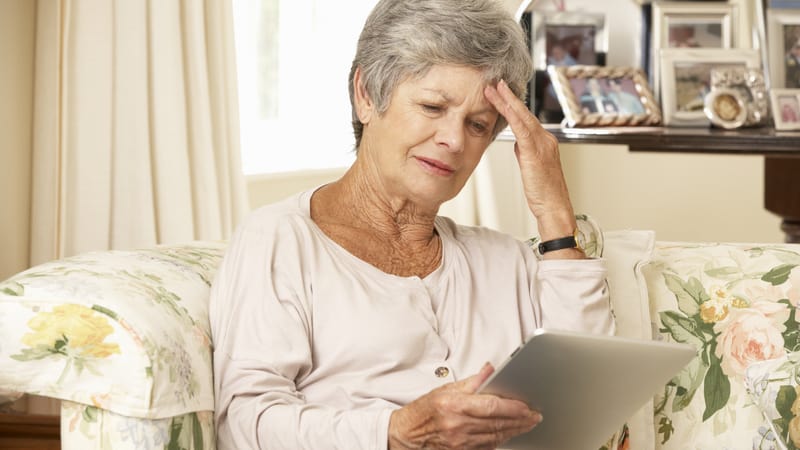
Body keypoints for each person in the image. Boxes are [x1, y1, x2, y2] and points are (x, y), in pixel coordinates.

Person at [210, 1, 615, 449]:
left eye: (478, 125)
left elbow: (590, 407)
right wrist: (396, 432)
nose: (455, 140)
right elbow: (245, 424)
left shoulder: (507, 262)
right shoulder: (280, 241)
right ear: (365, 95)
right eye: (431, 106)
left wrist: (554, 212)